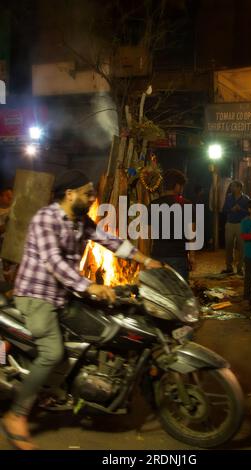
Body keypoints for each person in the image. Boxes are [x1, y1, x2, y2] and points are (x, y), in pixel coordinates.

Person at [1, 170, 161, 450]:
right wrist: (89, 286)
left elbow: (107, 240)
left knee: (105, 323)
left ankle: (82, 382)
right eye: (88, 193)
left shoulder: (79, 221)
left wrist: (144, 260)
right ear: (69, 194)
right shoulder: (45, 219)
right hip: (37, 296)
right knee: (52, 351)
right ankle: (16, 416)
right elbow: (54, 262)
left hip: (64, 294)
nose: (92, 197)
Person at [148, 169, 195, 281]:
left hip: (158, 255)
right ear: (177, 186)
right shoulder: (187, 205)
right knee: (180, 294)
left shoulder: (153, 205)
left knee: (160, 294)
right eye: (182, 186)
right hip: (179, 256)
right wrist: (192, 257)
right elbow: (191, 234)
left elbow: (148, 234)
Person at [222, 180, 249, 275]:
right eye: (231, 186)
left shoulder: (246, 199)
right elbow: (224, 209)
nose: (231, 188)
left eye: (233, 186)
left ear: (239, 188)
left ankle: (240, 268)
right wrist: (231, 209)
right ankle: (229, 267)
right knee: (229, 246)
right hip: (230, 223)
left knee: (242, 247)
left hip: (241, 224)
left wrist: (240, 209)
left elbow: (249, 213)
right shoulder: (229, 197)